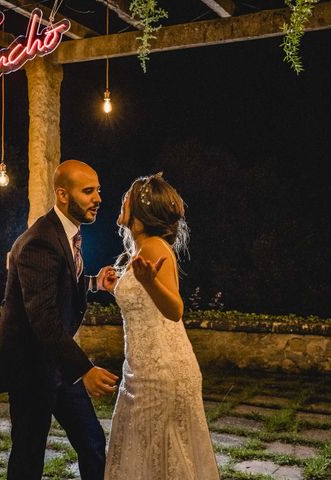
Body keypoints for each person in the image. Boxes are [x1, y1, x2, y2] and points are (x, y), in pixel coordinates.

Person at [0, 160, 119, 480]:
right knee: (29, 455)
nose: (98, 198)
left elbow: (56, 283)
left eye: (98, 190)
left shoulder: (66, 233)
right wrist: (84, 369)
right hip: (31, 369)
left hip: (58, 365)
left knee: (91, 441)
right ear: (62, 194)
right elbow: (42, 316)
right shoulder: (41, 240)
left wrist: (93, 283)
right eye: (88, 191)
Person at [103, 173, 220, 480]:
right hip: (143, 372)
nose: (122, 200)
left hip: (159, 374)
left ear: (141, 213)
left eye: (127, 197)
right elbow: (143, 300)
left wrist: (149, 283)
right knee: (148, 459)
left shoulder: (154, 247)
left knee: (152, 461)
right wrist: (114, 287)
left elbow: (174, 309)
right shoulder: (142, 251)